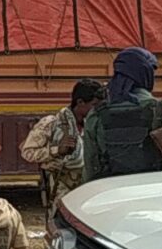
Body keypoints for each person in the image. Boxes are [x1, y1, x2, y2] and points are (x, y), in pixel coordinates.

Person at [83, 47, 162, 181]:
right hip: (156, 189)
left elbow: (91, 166)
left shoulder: (96, 114)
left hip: (114, 190)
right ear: (146, 74)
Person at [20, 79, 104, 216]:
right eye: (93, 105)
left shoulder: (93, 125)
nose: (96, 110)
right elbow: (28, 152)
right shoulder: (51, 123)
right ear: (80, 102)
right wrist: (57, 150)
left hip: (86, 187)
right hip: (60, 187)